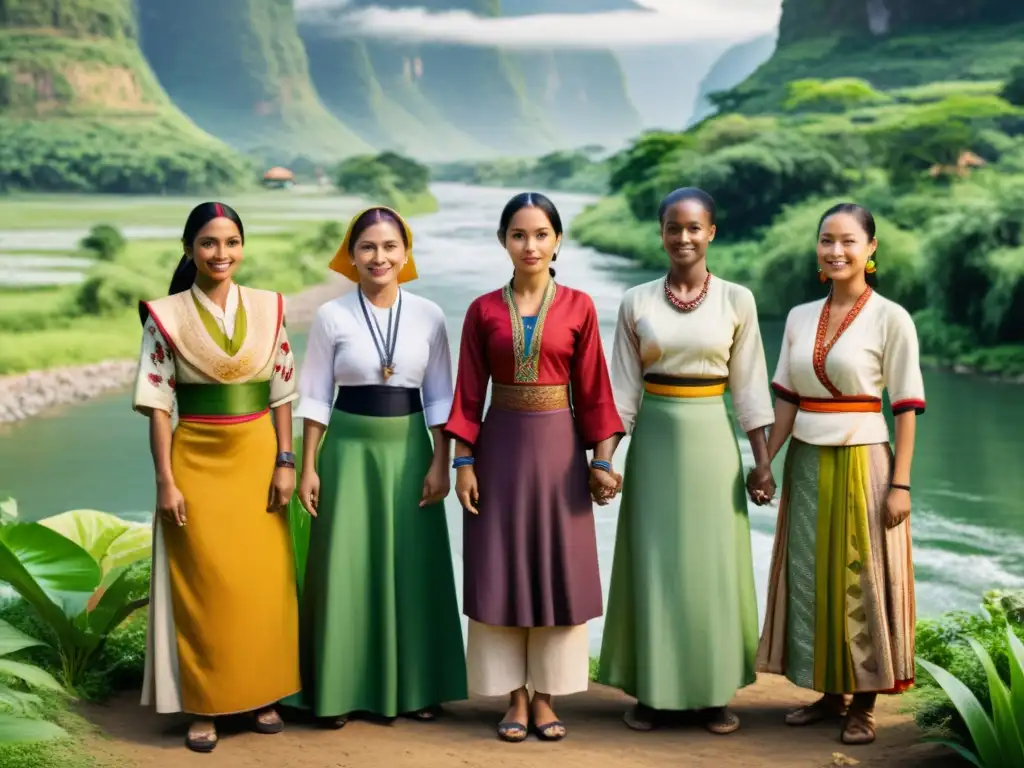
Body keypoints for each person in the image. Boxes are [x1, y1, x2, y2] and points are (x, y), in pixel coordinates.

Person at [445, 192, 624, 742]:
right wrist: (464, 463)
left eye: (541, 234)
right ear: (503, 241)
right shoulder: (482, 310)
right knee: (500, 565)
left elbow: (594, 390)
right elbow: (469, 393)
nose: (530, 245)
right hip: (498, 450)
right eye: (519, 235)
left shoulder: (579, 306)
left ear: (558, 241)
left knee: (556, 567)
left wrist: (601, 460)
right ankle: (513, 697)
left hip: (559, 453)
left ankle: (545, 696)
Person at [597, 187, 776, 734]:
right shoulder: (636, 301)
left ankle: (713, 694)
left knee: (712, 567)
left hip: (711, 443)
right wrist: (604, 461)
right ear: (661, 232)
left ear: (712, 233)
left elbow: (749, 392)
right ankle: (653, 693)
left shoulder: (736, 300)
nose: (683, 237)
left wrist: (763, 463)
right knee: (654, 563)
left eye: (694, 228)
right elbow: (622, 394)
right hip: (654, 444)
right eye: (674, 227)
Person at [753, 203, 924, 746]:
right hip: (806, 458)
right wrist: (765, 461)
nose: (836, 251)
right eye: (827, 240)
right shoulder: (800, 316)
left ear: (871, 249)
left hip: (863, 458)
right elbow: (786, 398)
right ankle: (830, 694)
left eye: (849, 241)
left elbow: (905, 406)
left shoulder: (891, 317)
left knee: (860, 577)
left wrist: (900, 484)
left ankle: (864, 704)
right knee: (811, 576)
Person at [132, 202, 300, 753]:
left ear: (242, 247)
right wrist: (165, 479)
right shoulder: (166, 316)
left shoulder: (269, 307)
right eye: (208, 243)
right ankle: (203, 706)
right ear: (189, 250)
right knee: (203, 583)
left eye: (230, 243)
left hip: (258, 459)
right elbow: (159, 403)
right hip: (195, 458)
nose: (220, 254)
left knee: (262, 583)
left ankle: (264, 695)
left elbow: (281, 391)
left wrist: (285, 461)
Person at [292, 207, 466, 727]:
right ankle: (337, 690)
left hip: (411, 449)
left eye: (390, 247)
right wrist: (308, 467)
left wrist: (443, 461)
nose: (379, 257)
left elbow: (440, 395)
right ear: (351, 255)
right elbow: (317, 396)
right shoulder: (331, 315)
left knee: (411, 564)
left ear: (405, 254)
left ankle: (417, 688)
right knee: (344, 565)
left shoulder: (430, 314)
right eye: (367, 247)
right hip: (347, 451)